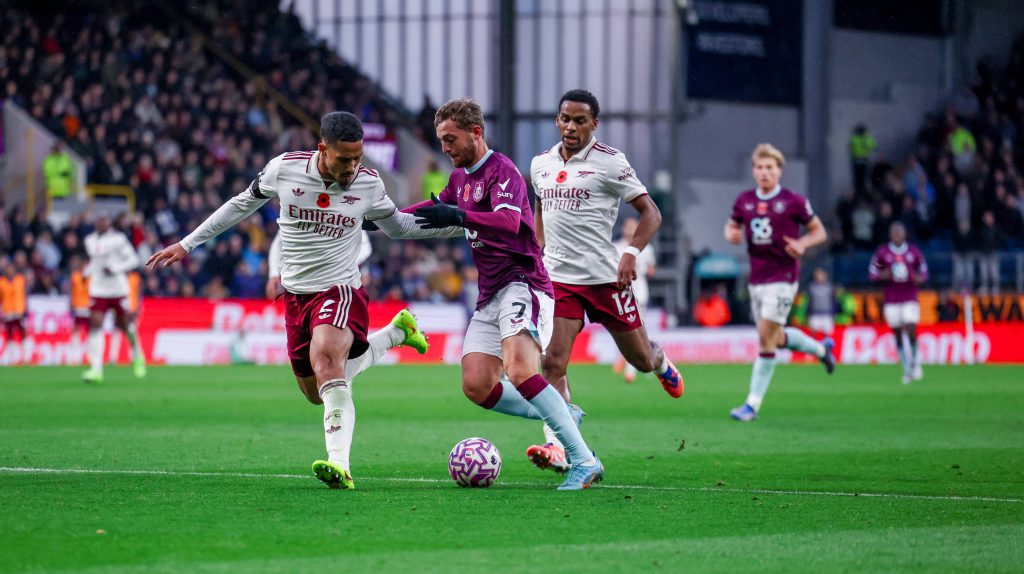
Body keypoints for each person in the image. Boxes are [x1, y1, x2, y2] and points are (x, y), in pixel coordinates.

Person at [148, 111, 446, 490]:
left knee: (325, 360)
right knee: (317, 391)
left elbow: (399, 227)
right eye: (344, 159)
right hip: (296, 296)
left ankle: (340, 465)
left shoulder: (368, 184)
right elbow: (241, 204)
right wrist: (187, 243)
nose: (353, 167)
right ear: (323, 149)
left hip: (340, 289)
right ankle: (394, 335)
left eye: (358, 158)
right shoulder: (285, 170)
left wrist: (463, 223)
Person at [409, 97, 604, 490]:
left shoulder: (504, 172)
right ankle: (562, 411)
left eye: (450, 140)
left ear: (476, 133)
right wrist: (375, 219)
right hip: (490, 294)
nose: (445, 149)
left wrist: (460, 216)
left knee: (520, 370)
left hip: (524, 283)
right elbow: (425, 214)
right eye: (441, 141)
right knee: (477, 384)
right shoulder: (459, 180)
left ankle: (583, 459)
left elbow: (508, 222)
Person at [524, 90, 683, 475]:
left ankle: (660, 361)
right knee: (552, 362)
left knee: (640, 360)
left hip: (605, 279)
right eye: (565, 119)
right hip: (559, 280)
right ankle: (558, 445)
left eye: (580, 120)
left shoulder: (611, 163)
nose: (571, 127)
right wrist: (539, 249)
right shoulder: (540, 164)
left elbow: (651, 213)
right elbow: (541, 206)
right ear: (557, 120)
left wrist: (631, 253)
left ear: (594, 124)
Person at [724, 143, 835, 422]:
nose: (764, 173)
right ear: (754, 171)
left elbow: (819, 231)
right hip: (757, 277)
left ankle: (751, 404)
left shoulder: (793, 201)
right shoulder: (744, 200)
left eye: (770, 168)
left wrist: (803, 243)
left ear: (779, 171)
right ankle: (822, 350)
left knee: (765, 337)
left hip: (783, 277)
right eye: (760, 168)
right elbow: (732, 225)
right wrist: (731, 234)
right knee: (775, 336)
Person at [80, 215, 146, 382]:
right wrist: (86, 272)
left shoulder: (119, 239)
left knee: (125, 326)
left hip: (117, 289)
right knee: (95, 325)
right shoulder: (90, 240)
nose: (101, 224)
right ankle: (96, 370)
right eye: (98, 221)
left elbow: (133, 260)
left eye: (104, 221)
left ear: (108, 224)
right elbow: (95, 261)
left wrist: (115, 268)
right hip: (98, 289)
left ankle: (137, 356)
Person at [869, 221, 929, 384]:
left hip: (909, 298)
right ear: (890, 235)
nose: (896, 235)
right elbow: (873, 271)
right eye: (894, 233)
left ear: (904, 234)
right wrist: (883, 275)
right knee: (896, 333)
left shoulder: (913, 253)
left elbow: (924, 272)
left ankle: (915, 361)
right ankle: (907, 368)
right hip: (891, 299)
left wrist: (919, 278)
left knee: (910, 327)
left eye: (899, 232)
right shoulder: (883, 253)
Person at [611, 216, 659, 382]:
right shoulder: (616, 247)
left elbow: (652, 270)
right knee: (622, 328)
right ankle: (625, 358)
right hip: (621, 294)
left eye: (633, 226)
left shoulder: (646, 249)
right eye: (628, 225)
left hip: (640, 293)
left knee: (638, 329)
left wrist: (641, 270)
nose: (630, 229)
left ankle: (630, 371)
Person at [0, 260, 29, 364]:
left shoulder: (20, 280)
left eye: (12, 269)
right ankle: (11, 357)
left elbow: (25, 294)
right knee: (9, 334)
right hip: (8, 311)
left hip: (20, 310)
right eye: (8, 269)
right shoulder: (2, 282)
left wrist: (25, 309)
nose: (10, 271)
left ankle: (26, 357)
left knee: (23, 332)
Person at [68, 255, 91, 364]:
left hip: (88, 307)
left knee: (89, 332)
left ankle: (88, 356)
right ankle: (75, 357)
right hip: (78, 306)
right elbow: (71, 290)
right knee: (76, 330)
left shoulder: (92, 277)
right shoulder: (75, 276)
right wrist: (71, 302)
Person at [806, 267, 836, 336]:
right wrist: (807, 314)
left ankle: (827, 346)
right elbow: (808, 302)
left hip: (827, 314)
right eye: (817, 275)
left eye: (820, 275)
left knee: (828, 335)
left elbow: (833, 301)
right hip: (814, 314)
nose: (819, 277)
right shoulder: (811, 288)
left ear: (824, 276)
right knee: (813, 334)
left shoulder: (829, 287)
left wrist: (833, 314)